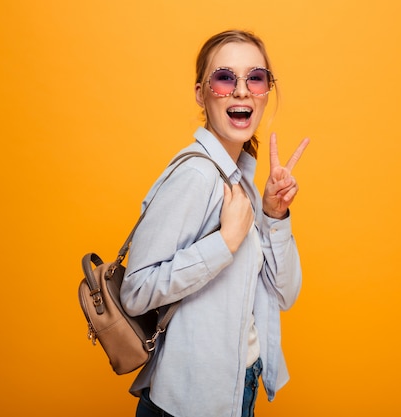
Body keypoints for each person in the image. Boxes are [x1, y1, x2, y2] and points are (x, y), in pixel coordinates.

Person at [121, 29, 310, 417]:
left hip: (237, 388)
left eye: (254, 77)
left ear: (265, 90)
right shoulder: (197, 175)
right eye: (225, 77)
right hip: (187, 404)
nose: (241, 90)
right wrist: (223, 244)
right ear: (201, 93)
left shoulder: (239, 179)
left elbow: (285, 295)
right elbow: (135, 291)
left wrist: (274, 216)